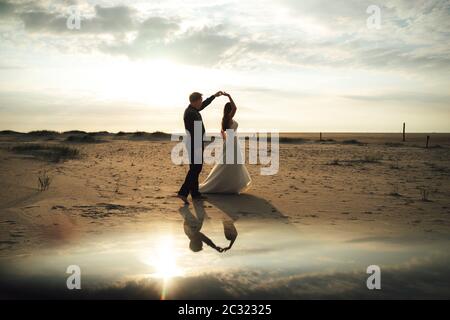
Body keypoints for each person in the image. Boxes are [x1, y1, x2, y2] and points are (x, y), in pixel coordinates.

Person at [199, 92, 251, 194]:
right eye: (231, 108)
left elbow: (222, 132)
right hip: (232, 142)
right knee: (231, 164)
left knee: (232, 164)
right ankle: (228, 185)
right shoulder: (228, 118)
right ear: (230, 110)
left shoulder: (225, 119)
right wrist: (229, 96)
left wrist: (227, 140)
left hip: (230, 142)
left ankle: (230, 185)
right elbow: (235, 108)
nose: (233, 110)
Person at [177, 91, 224, 205]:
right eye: (200, 100)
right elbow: (196, 131)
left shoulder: (193, 110)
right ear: (195, 101)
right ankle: (183, 193)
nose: (201, 103)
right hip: (194, 143)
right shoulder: (191, 113)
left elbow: (203, 105)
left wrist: (214, 96)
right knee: (195, 169)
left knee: (195, 168)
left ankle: (195, 193)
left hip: (195, 142)